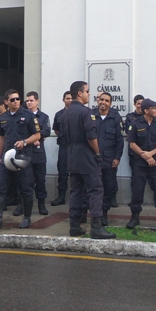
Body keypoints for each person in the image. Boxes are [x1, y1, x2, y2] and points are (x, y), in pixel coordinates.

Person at [60, 81, 115, 239]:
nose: (89, 94)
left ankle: (74, 225)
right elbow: (91, 136)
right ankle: (96, 227)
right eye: (87, 91)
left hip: (71, 155)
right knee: (96, 189)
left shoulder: (66, 113)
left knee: (76, 191)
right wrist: (97, 153)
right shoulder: (86, 112)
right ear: (79, 93)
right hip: (86, 155)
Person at [0, 89, 41, 229]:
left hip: (23, 157)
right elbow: (1, 138)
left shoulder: (28, 116)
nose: (16, 101)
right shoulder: (3, 118)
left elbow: (37, 135)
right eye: (12, 100)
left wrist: (24, 142)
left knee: (26, 188)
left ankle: (26, 218)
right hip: (7, 157)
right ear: (6, 102)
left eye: (18, 99)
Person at [125, 98, 156, 231]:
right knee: (137, 190)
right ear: (146, 110)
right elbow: (132, 143)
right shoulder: (135, 124)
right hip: (140, 164)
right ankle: (134, 217)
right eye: (154, 108)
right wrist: (144, 155)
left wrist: (151, 154)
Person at [96, 92, 124, 228]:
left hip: (109, 160)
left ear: (110, 104)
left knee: (108, 188)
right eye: (102, 99)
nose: (103, 102)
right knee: (91, 188)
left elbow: (119, 141)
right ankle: (87, 214)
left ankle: (104, 214)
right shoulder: (90, 116)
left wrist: (117, 158)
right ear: (98, 100)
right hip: (93, 160)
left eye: (107, 101)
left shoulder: (115, 119)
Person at [25, 91, 52, 215]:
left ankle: (41, 204)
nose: (29, 103)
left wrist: (37, 137)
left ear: (37, 101)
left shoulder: (43, 117)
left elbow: (46, 131)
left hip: (38, 153)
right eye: (27, 101)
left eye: (31, 100)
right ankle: (23, 205)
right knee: (25, 180)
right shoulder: (23, 115)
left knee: (40, 180)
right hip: (26, 152)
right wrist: (31, 139)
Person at [50, 91, 73, 206]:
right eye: (67, 98)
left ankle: (77, 198)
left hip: (75, 146)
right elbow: (56, 130)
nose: (70, 100)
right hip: (63, 146)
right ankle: (61, 196)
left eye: (71, 98)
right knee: (62, 172)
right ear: (63, 100)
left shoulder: (78, 113)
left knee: (77, 172)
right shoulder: (59, 114)